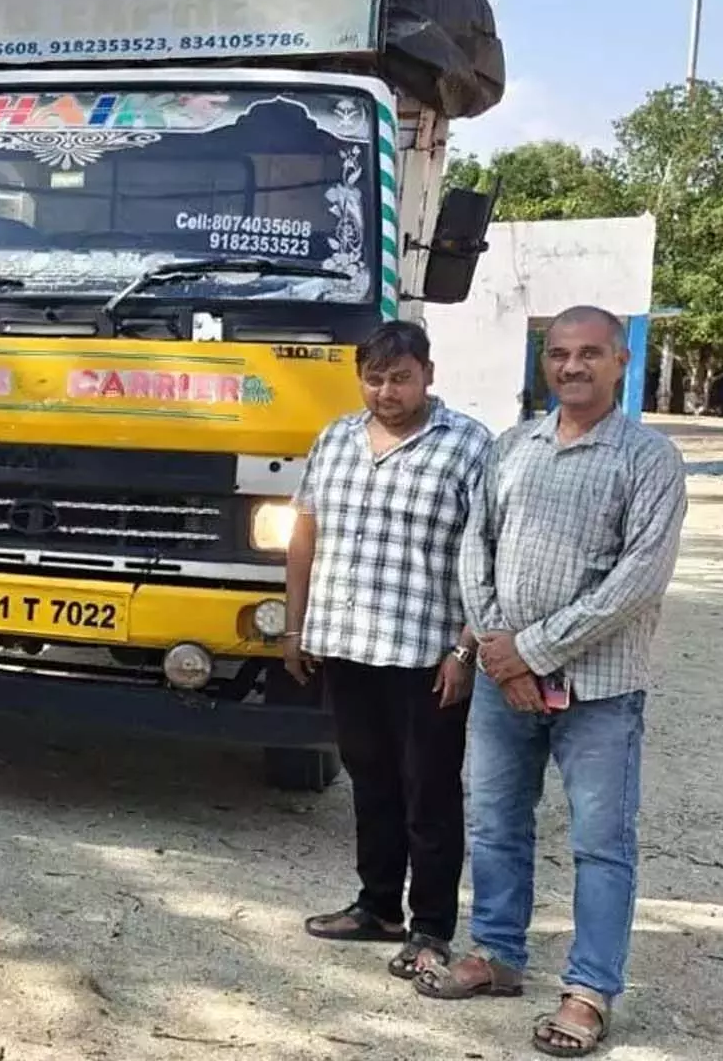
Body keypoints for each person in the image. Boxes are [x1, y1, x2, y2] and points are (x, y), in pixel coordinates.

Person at [415, 306, 687, 1059]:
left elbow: (637, 580)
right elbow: (476, 548)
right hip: (506, 686)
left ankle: (590, 990)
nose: (573, 367)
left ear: (622, 360)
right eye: (560, 354)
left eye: (590, 353)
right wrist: (503, 652)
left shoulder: (649, 459)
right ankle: (498, 954)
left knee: (603, 844)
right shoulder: (511, 449)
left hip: (599, 690)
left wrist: (528, 650)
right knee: (496, 824)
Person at [285, 321, 492, 980]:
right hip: (346, 645)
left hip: (427, 655)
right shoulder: (336, 438)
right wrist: (294, 628)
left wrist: (465, 651)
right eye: (374, 378)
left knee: (428, 794)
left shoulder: (468, 446)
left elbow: (486, 557)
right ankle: (378, 908)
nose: (386, 391)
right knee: (370, 782)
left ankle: (431, 929)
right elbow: (304, 532)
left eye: (400, 377)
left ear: (428, 373)